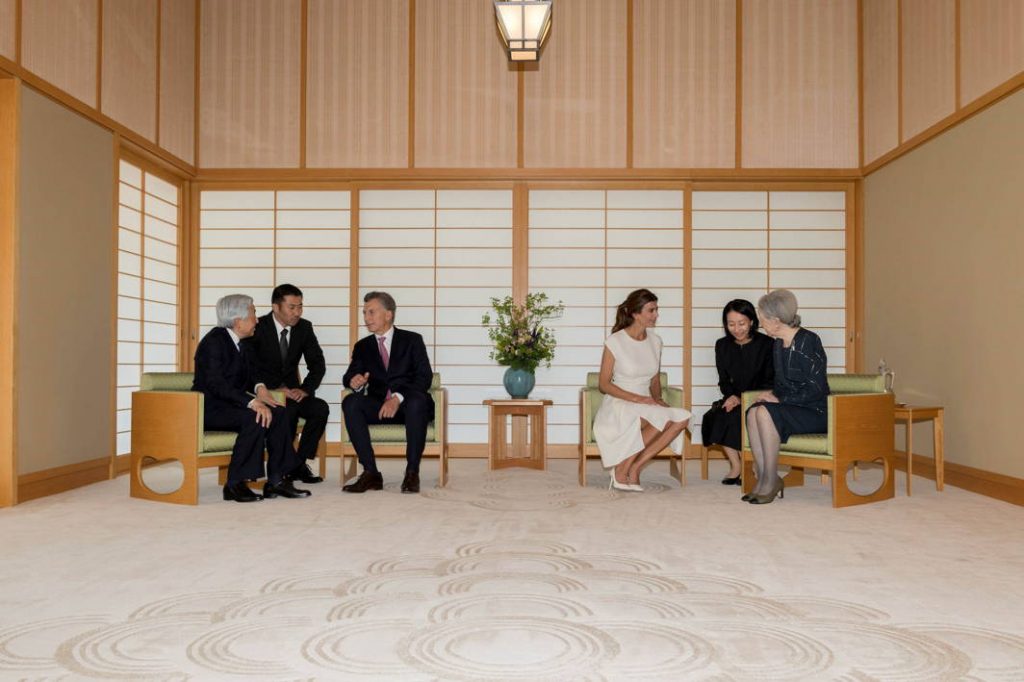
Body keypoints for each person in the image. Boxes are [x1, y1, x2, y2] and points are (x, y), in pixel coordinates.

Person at [192, 294, 311, 503]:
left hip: (233, 405)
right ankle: (235, 484)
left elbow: (252, 374)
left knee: (280, 413)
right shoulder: (213, 342)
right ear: (239, 321)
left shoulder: (243, 342)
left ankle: (276, 479)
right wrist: (252, 402)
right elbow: (216, 384)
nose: (257, 319)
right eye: (253, 313)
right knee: (254, 417)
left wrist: (260, 389)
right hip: (209, 409)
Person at [593, 289, 691, 491]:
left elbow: (654, 378)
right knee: (659, 418)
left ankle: (635, 467)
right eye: (651, 310)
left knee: (682, 418)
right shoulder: (615, 341)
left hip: (646, 403)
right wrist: (638, 399)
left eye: (656, 310)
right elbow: (604, 384)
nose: (656, 315)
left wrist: (657, 398)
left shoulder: (656, 341)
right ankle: (622, 470)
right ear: (636, 313)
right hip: (620, 402)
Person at [341, 291, 434, 494]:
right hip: (378, 407)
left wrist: (397, 398)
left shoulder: (412, 340)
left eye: (371, 312)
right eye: (364, 313)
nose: (366, 318)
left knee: (418, 400)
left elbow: (424, 377)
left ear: (388, 314)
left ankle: (412, 472)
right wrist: (354, 381)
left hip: (408, 406)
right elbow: (349, 376)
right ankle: (371, 473)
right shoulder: (362, 346)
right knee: (351, 402)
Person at [744, 289, 829, 504]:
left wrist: (780, 401)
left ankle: (771, 480)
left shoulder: (808, 341)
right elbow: (782, 384)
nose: (760, 323)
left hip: (816, 410)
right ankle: (764, 478)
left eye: (762, 318)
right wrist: (771, 394)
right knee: (754, 410)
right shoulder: (777, 343)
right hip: (792, 407)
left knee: (764, 412)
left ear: (775, 320)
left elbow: (816, 388)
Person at [243, 284, 329, 485]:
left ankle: (298, 463)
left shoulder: (304, 328)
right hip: (266, 393)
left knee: (320, 409)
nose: (297, 312)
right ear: (275, 307)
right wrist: (273, 389)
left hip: (294, 392)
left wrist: (305, 389)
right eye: (292, 307)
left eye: (300, 307)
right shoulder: (257, 327)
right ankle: (284, 465)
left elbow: (318, 364)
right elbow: (248, 367)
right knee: (287, 412)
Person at [701, 299, 774, 485]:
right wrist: (732, 396)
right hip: (733, 397)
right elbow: (723, 380)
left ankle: (752, 466)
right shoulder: (722, 345)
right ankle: (736, 466)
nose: (737, 329)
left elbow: (769, 379)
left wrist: (744, 399)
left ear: (751, 321)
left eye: (742, 323)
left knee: (737, 418)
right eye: (731, 324)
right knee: (721, 415)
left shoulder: (767, 344)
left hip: (760, 398)